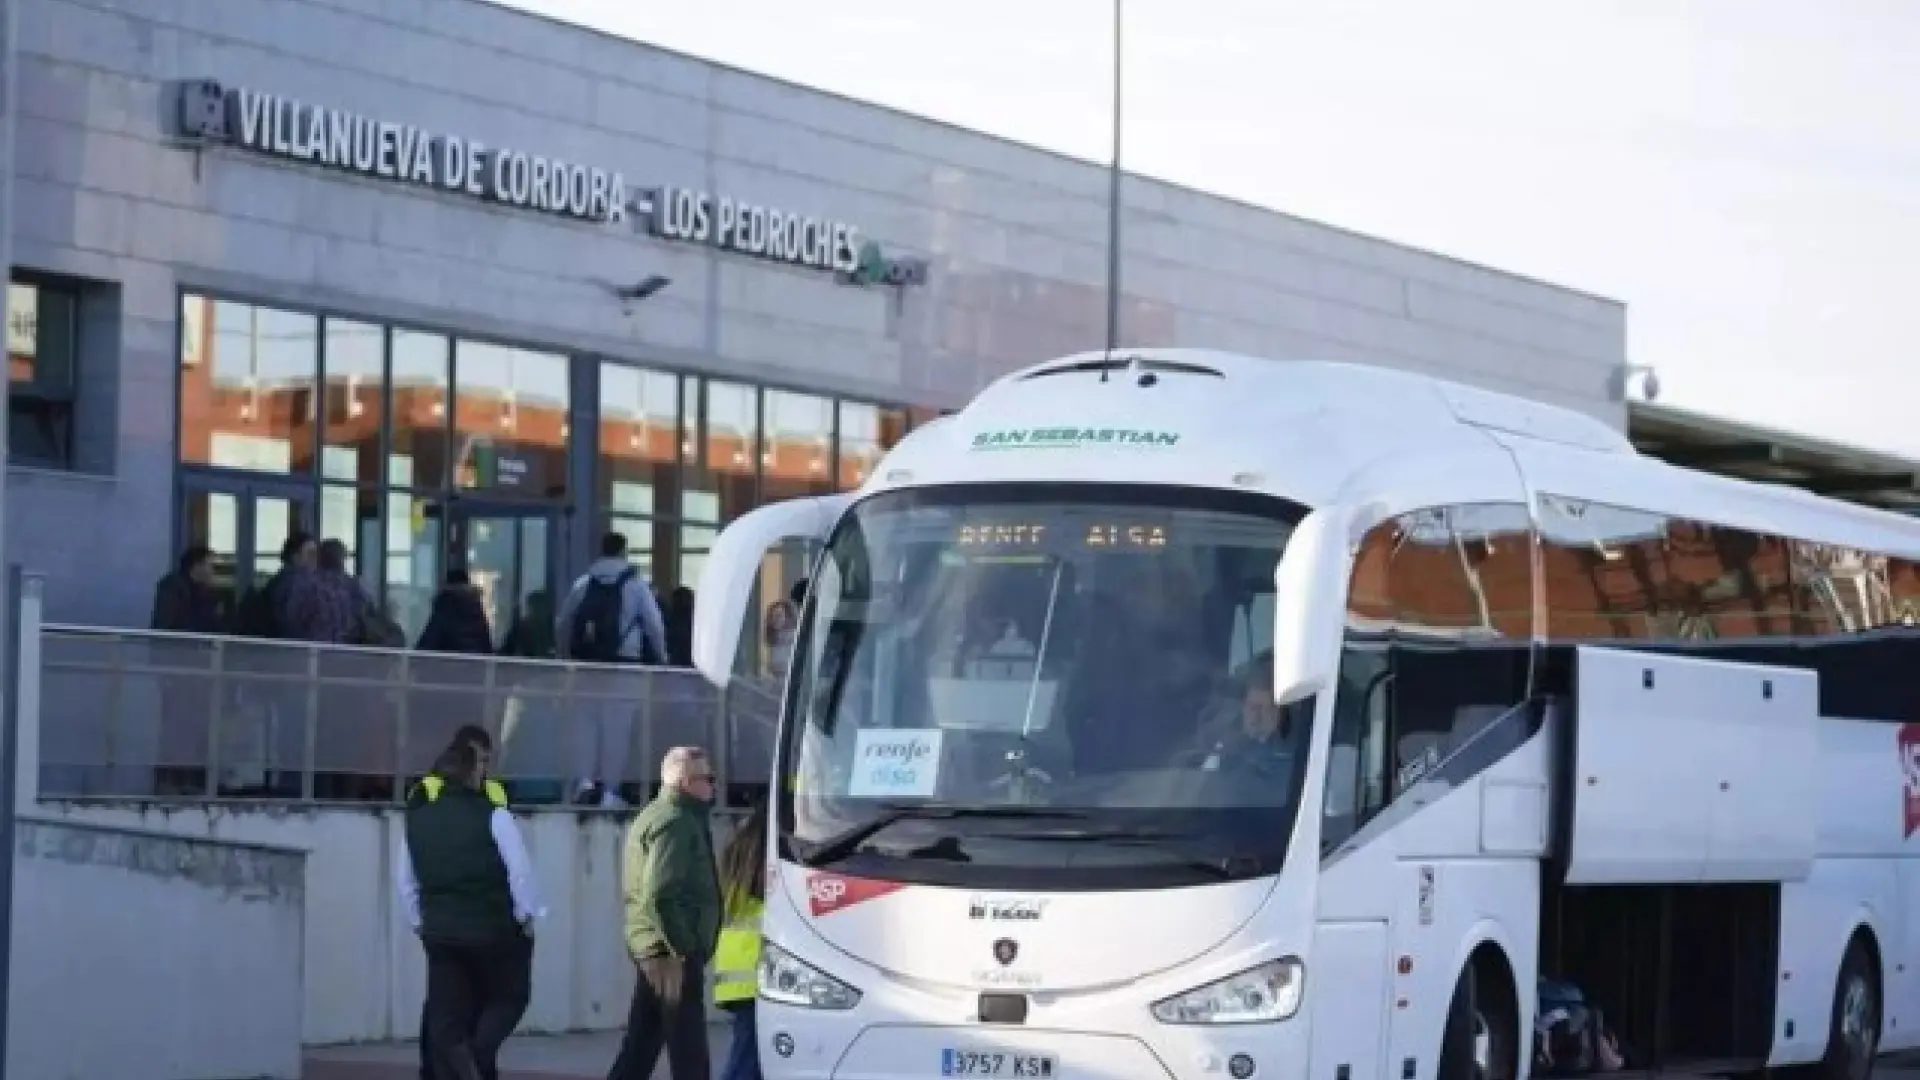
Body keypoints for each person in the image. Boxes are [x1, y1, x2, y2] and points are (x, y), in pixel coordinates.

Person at [398, 740, 543, 1080]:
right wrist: (525, 916)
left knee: (447, 1019)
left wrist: (420, 922)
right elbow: (520, 871)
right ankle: (478, 1055)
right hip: (493, 930)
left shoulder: (417, 818)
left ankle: (463, 1063)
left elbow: (406, 880)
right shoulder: (494, 815)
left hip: (440, 933)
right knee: (510, 997)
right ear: (472, 774)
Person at [607, 746, 722, 1080]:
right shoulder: (676, 821)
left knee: (640, 1047)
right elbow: (659, 893)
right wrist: (685, 946)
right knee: (689, 1052)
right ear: (686, 782)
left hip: (656, 947)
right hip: (670, 953)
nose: (713, 786)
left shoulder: (662, 815)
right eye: (707, 778)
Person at [408, 725, 509, 1080]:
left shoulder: (495, 793)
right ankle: (435, 1070)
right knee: (444, 1008)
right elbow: (412, 857)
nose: (483, 768)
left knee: (467, 1005)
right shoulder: (427, 791)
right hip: (449, 912)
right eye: (479, 760)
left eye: (487, 760)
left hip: (478, 914)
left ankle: (474, 1068)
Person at [554, 532, 669, 806]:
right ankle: (609, 791)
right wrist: (662, 657)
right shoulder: (636, 586)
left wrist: (565, 655)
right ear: (623, 551)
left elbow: (563, 622)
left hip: (587, 666)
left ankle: (584, 783)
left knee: (586, 726)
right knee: (617, 731)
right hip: (624, 668)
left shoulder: (584, 583)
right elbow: (654, 625)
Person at [713, 799, 769, 1080]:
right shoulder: (763, 856)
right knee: (747, 1063)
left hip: (737, 972)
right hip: (754, 971)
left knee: (749, 1058)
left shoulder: (738, 850)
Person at [417, 569, 495, 654]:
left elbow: (427, 645)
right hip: (476, 660)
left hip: (449, 661)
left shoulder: (446, 606)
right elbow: (486, 646)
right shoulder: (476, 609)